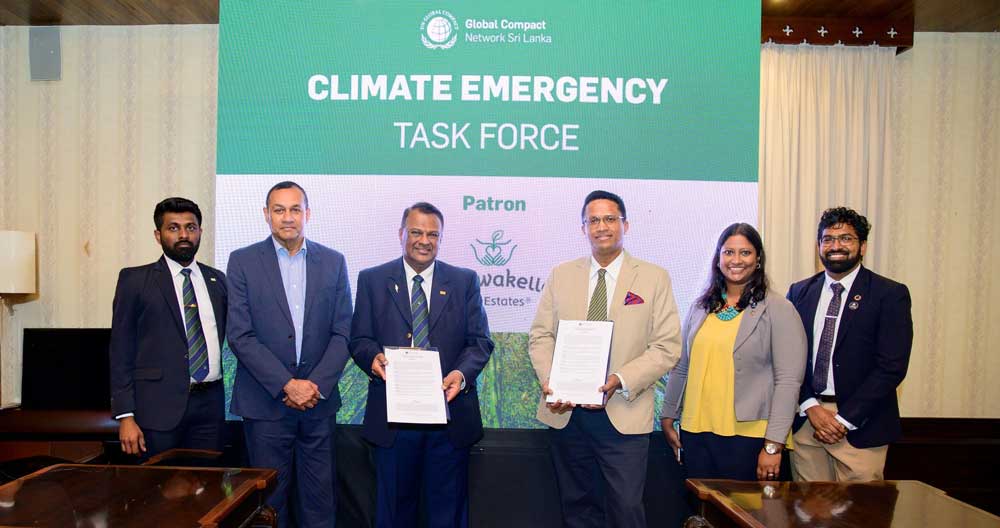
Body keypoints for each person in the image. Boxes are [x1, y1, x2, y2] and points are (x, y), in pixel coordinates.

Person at [528, 190, 681, 528]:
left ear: (625, 224)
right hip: (567, 414)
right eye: (593, 220)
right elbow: (540, 336)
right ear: (583, 228)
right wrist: (551, 381)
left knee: (626, 509)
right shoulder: (561, 275)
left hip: (623, 412)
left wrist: (619, 380)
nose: (602, 227)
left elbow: (667, 346)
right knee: (578, 509)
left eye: (610, 219)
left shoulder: (654, 278)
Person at [350, 202, 494, 528]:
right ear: (401, 233)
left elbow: (480, 342)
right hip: (393, 422)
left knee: (447, 515)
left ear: (441, 238)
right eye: (416, 232)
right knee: (393, 515)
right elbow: (359, 339)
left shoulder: (464, 281)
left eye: (433, 234)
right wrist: (373, 358)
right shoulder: (372, 280)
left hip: (450, 420)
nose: (424, 241)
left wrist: (460, 374)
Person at [226, 181, 353, 527]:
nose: (287, 217)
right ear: (266, 215)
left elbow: (343, 332)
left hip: (318, 404)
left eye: (295, 209)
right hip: (265, 405)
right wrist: (287, 384)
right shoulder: (242, 262)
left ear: (307, 214)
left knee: (319, 503)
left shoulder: (334, 262)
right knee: (268, 506)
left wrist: (313, 385)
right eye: (279, 210)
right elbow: (240, 335)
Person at [660, 223, 806, 481]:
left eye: (745, 252)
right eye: (728, 252)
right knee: (702, 505)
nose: (736, 260)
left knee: (746, 507)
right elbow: (681, 367)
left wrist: (773, 445)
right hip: (697, 433)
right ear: (718, 259)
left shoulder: (778, 309)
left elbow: (788, 382)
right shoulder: (700, 307)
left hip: (750, 437)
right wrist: (668, 414)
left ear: (758, 259)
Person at [787, 207, 913, 482]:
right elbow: (788, 358)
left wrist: (843, 420)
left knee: (860, 509)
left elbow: (891, 366)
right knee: (808, 508)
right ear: (819, 245)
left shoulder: (889, 294)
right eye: (828, 239)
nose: (836, 246)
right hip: (808, 421)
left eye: (846, 238)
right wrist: (809, 404)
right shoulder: (799, 292)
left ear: (863, 246)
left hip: (861, 426)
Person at [110, 197, 227, 459]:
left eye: (190, 227)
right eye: (173, 228)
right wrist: (125, 416)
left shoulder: (218, 280)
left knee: (208, 483)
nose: (184, 235)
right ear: (158, 235)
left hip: (210, 409)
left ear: (200, 232)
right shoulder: (135, 281)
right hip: (156, 411)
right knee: (157, 483)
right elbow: (120, 351)